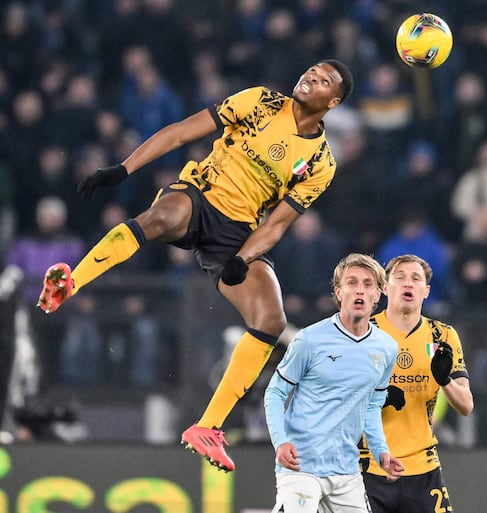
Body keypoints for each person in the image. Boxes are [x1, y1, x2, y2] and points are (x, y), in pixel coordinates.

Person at [35, 59, 354, 472]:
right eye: (310, 71)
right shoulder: (259, 101)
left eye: (323, 79)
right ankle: (69, 283)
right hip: (200, 193)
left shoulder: (321, 162)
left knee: (272, 320)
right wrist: (123, 168)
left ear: (333, 101)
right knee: (160, 218)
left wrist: (243, 258)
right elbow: (182, 131)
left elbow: (277, 224)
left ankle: (207, 427)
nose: (310, 77)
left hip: (238, 232)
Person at [263, 253, 404, 513]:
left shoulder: (386, 348)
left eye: (367, 284)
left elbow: (371, 407)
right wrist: (280, 441)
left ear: (378, 294)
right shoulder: (309, 340)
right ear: (339, 292)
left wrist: (381, 452)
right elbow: (275, 393)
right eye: (352, 283)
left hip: (346, 471)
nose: (359, 290)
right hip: (301, 466)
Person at [361, 254, 474, 513]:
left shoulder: (442, 336)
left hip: (423, 469)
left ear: (426, 291)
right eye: (399, 278)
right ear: (385, 288)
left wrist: (444, 379)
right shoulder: (364, 332)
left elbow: (466, 405)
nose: (407, 284)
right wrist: (380, 396)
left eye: (415, 279)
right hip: (370, 468)